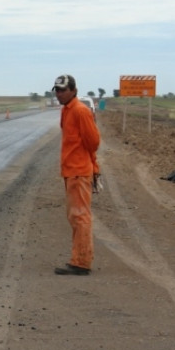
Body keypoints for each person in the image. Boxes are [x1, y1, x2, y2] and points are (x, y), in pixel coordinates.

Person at [51, 74, 101, 276]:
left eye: (63, 90)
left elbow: (93, 143)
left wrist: (93, 167)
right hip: (71, 172)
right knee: (75, 216)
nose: (59, 93)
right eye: (57, 90)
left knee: (80, 217)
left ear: (73, 90)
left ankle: (81, 262)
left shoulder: (81, 111)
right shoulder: (66, 111)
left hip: (79, 172)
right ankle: (79, 258)